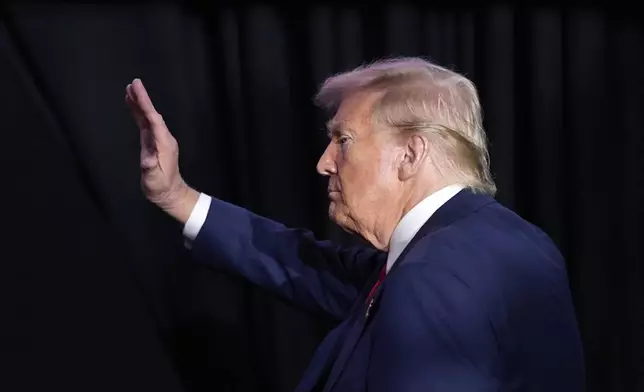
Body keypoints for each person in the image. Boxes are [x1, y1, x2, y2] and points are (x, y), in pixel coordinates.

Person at [125, 57, 585, 391]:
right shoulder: (504, 241)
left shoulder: (433, 277)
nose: (325, 163)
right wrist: (176, 196)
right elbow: (307, 265)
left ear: (410, 155)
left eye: (343, 140)